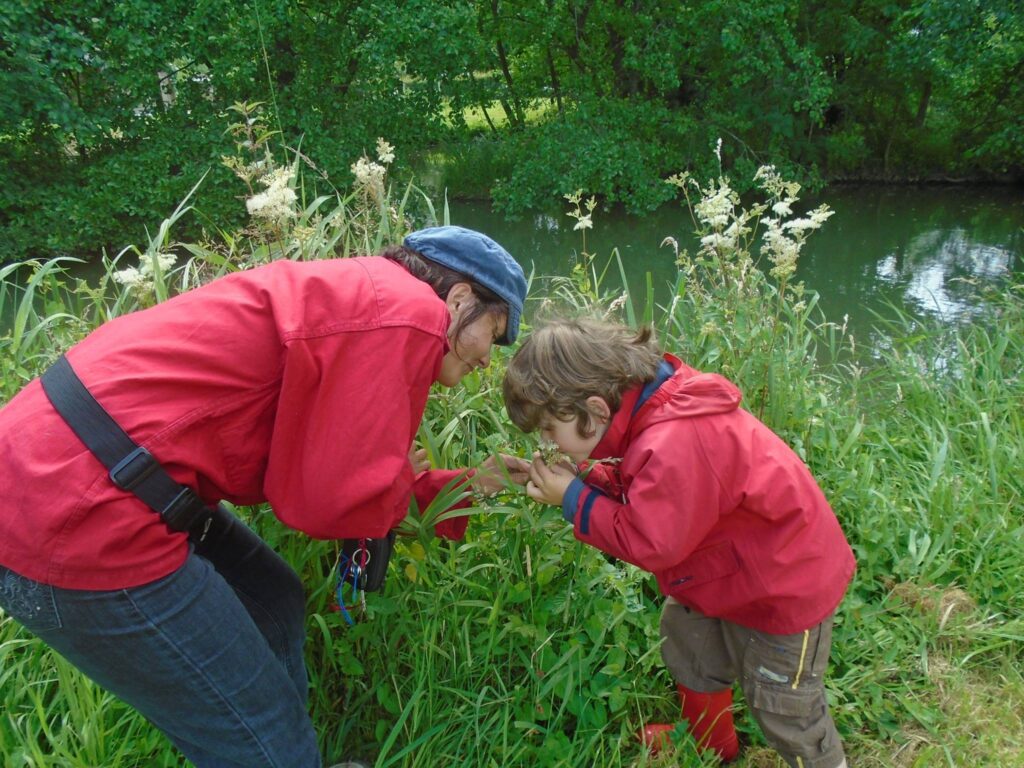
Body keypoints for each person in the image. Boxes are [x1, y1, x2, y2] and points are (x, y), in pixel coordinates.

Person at [0, 225, 531, 768]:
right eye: (494, 331)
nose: (489, 357)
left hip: (67, 469)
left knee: (273, 600)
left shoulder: (360, 297)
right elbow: (329, 501)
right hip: (79, 507)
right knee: (258, 736)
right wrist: (393, 482)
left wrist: (468, 484)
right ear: (459, 298)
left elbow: (332, 473)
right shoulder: (410, 312)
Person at [503, 317, 854, 768]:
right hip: (728, 568)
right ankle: (712, 743)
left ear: (594, 407)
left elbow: (652, 541)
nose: (549, 442)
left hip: (783, 586)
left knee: (783, 704)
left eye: (551, 429)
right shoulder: (645, 411)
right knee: (688, 639)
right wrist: (583, 478)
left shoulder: (674, 439)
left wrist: (573, 499)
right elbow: (649, 491)